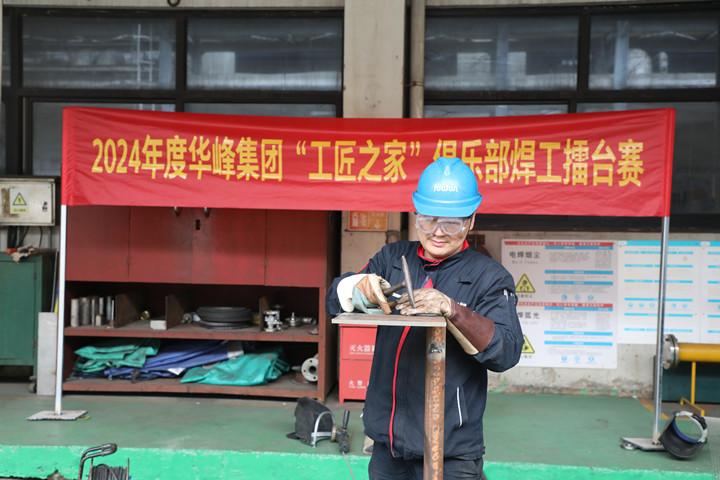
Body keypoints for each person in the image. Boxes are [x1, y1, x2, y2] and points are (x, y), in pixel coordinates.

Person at [326, 156, 524, 480]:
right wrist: (357, 288)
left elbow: (507, 352)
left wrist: (453, 310)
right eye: (428, 220)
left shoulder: (489, 277)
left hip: (451, 452)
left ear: (471, 221)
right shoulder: (392, 258)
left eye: (451, 223)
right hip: (388, 445)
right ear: (416, 215)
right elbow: (333, 300)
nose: (438, 233)